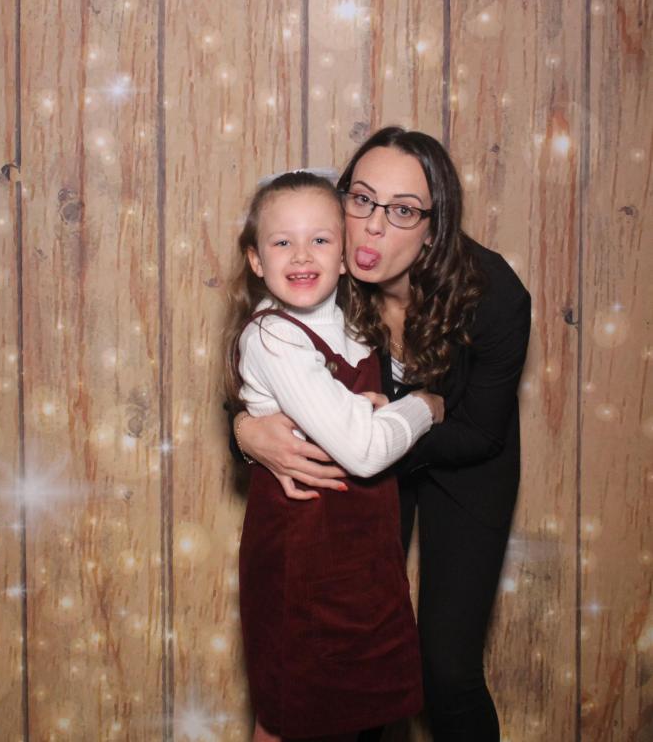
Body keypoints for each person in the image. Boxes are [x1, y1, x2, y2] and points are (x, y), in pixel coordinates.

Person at [234, 128, 532, 742]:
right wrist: (246, 431)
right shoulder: (322, 264)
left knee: (446, 669)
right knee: (360, 665)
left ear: (434, 227)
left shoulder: (494, 293)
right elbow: (260, 369)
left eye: (402, 210)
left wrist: (397, 420)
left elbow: (479, 431)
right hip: (363, 465)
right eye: (362, 199)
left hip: (462, 458)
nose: (372, 226)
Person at [224, 170, 441, 742]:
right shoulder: (272, 337)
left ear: (345, 256)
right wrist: (424, 407)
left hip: (365, 561)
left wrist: (383, 407)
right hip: (302, 562)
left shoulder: (355, 327)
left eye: (320, 239)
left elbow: (373, 412)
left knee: (365, 716)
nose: (302, 255)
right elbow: (366, 451)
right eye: (282, 241)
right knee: (290, 718)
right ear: (256, 260)